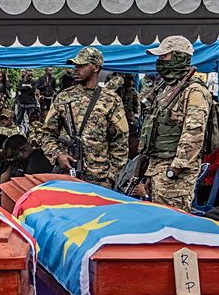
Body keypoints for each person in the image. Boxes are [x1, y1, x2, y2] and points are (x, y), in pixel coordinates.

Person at [138, 36, 212, 212]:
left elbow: (194, 133)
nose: (159, 61)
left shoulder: (194, 91)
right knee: (158, 219)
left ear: (179, 57)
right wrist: (151, 172)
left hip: (176, 172)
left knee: (174, 221)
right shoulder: (166, 88)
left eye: (164, 57)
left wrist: (175, 170)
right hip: (158, 166)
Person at [42, 47, 128, 188]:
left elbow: (120, 142)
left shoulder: (111, 100)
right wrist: (58, 155)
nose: (76, 69)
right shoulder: (64, 97)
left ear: (96, 67)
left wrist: (111, 178)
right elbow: (47, 134)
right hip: (68, 176)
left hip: (99, 180)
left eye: (82, 65)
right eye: (75, 65)